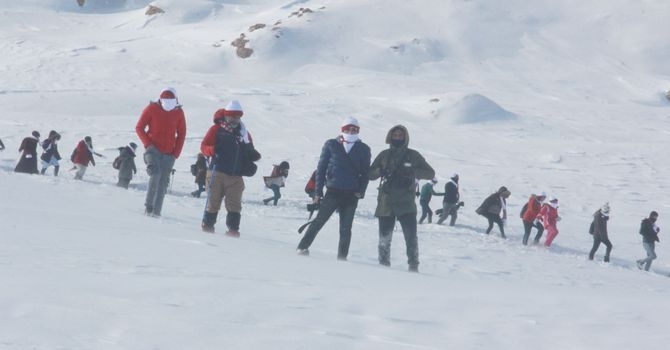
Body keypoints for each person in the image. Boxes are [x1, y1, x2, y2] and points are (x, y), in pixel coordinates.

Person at [297, 117, 371, 260]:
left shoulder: (364, 149)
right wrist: (318, 192)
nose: (351, 131)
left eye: (355, 129)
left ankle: (342, 257)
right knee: (319, 221)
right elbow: (321, 169)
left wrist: (361, 192)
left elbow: (365, 173)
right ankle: (302, 247)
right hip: (333, 191)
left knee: (346, 228)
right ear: (342, 129)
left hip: (351, 195)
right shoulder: (331, 144)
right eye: (348, 128)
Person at [368, 125, 435, 272]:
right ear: (390, 136)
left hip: (406, 202)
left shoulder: (413, 155)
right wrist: (381, 170)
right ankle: (383, 267)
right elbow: (370, 174)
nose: (398, 138)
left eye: (400, 135)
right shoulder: (384, 155)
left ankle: (413, 267)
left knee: (411, 238)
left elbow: (430, 173)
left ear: (405, 138)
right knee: (384, 239)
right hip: (386, 202)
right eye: (395, 135)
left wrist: (412, 171)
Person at [200, 101, 261, 236]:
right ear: (225, 116)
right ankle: (207, 229)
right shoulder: (216, 130)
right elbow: (204, 146)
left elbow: (249, 149)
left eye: (237, 117)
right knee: (213, 202)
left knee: (234, 205)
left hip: (236, 176)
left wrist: (253, 155)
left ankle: (233, 231)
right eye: (231, 117)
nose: (234, 120)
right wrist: (213, 150)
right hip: (216, 172)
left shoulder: (244, 133)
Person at [135, 87, 187, 217]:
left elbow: (182, 133)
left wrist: (175, 153)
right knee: (156, 174)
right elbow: (139, 127)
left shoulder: (179, 113)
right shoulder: (152, 109)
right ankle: (149, 208)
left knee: (163, 183)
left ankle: (156, 213)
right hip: (153, 151)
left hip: (168, 154)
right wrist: (148, 144)